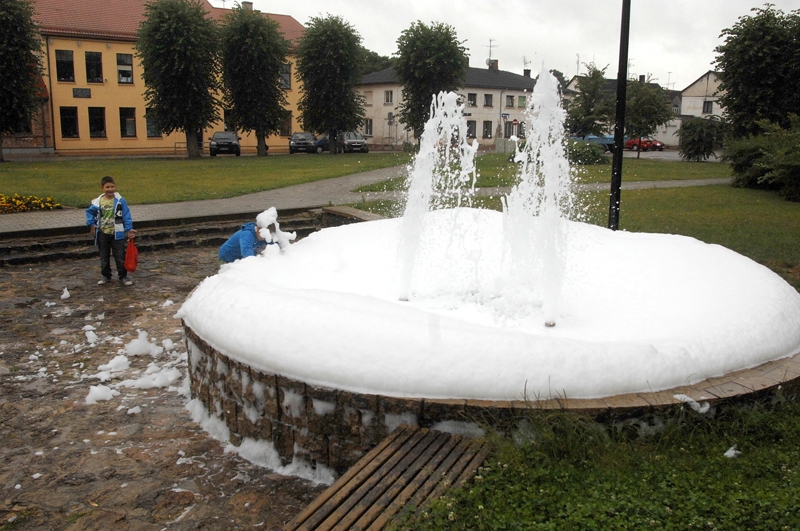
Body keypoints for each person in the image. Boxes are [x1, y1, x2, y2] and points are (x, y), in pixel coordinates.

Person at [85, 176, 136, 285]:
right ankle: (106, 275)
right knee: (104, 256)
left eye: (112, 186)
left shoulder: (120, 201)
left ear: (115, 187)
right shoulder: (97, 202)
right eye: (107, 187)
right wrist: (91, 224)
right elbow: (90, 212)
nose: (110, 189)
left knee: (120, 256)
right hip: (103, 233)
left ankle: (123, 276)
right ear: (102, 188)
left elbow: (126, 215)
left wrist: (129, 229)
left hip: (117, 233)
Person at [218, 207, 295, 266]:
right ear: (258, 228)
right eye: (264, 235)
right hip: (226, 259)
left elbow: (275, 244)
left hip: (239, 258)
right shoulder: (247, 235)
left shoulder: (265, 235)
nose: (265, 238)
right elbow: (247, 253)